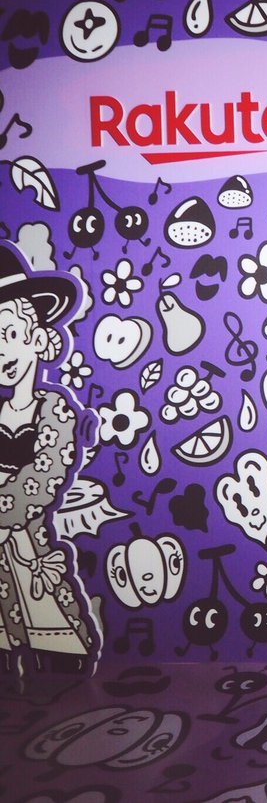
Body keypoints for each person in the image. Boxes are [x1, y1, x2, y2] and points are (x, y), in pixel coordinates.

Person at [0, 244, 96, 673]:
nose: (1, 351)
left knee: (50, 634)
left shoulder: (54, 409)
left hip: (29, 545)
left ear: (38, 339)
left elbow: (44, 476)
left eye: (9, 335)